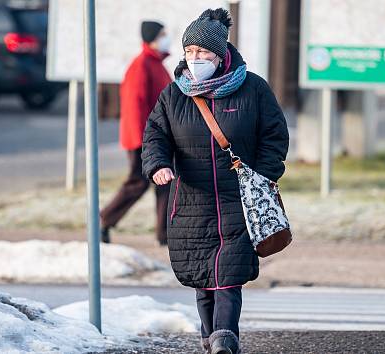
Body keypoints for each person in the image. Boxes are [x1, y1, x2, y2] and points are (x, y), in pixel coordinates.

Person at [141, 8, 289, 354]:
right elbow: (155, 136)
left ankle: (225, 336)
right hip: (190, 201)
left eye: (203, 52)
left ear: (220, 54)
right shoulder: (174, 94)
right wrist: (158, 165)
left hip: (239, 199)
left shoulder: (253, 88)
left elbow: (274, 134)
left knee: (228, 275)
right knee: (201, 278)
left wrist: (263, 173)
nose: (195, 58)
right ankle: (211, 338)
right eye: (189, 52)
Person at [100, 21, 172, 245]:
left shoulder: (156, 63)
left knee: (165, 182)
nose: (166, 38)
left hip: (158, 138)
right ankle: (103, 221)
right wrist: (145, 142)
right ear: (152, 38)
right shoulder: (141, 65)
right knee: (138, 183)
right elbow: (135, 107)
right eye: (162, 34)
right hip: (143, 139)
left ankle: (165, 234)